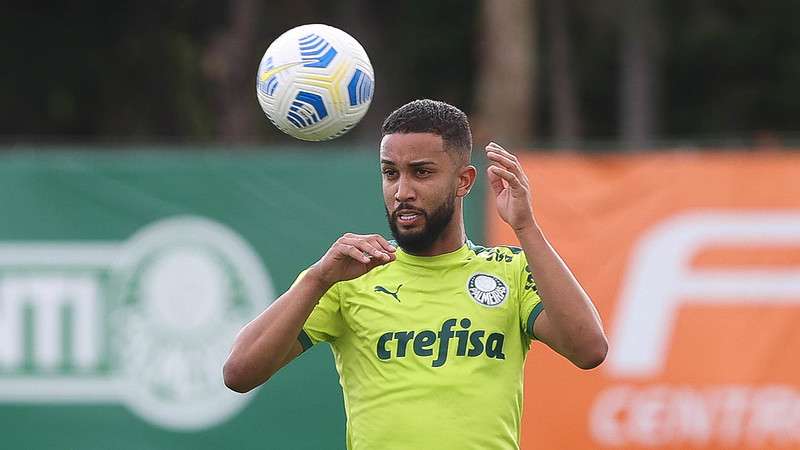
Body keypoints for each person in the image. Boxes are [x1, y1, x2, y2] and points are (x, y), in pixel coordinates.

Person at [223, 99, 608, 449]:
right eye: (391, 173)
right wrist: (317, 280)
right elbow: (239, 373)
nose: (401, 190)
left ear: (464, 181)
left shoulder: (509, 269)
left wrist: (526, 228)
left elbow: (589, 349)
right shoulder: (348, 275)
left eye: (421, 173)